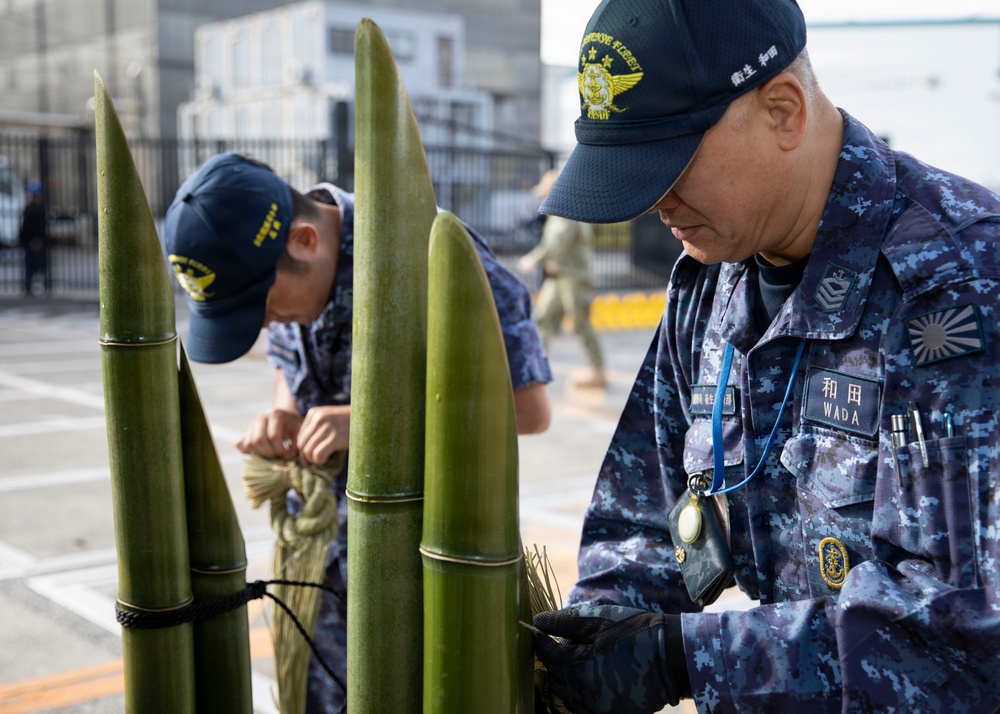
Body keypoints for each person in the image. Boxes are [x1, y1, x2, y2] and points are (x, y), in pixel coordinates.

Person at [529, 0, 1000, 712]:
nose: (655, 199)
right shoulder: (713, 280)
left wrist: (686, 657)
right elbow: (642, 513)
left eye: (672, 159)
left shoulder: (959, 282)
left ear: (783, 111)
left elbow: (968, 628)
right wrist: (596, 635)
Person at [162, 152, 553, 713]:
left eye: (264, 306)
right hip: (320, 572)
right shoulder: (293, 283)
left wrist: (371, 424)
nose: (266, 324)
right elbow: (286, 367)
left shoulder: (427, 250)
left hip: (420, 578)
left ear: (303, 240)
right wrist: (284, 414)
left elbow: (528, 408)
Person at [518, 168, 607, 388]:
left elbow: (556, 244)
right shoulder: (559, 212)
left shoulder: (568, 212)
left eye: (544, 192)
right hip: (558, 278)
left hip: (574, 279)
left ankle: (598, 372)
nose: (541, 197)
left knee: (580, 325)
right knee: (543, 320)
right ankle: (535, 371)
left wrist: (533, 259)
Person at [19, 180, 48, 296]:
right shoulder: (36, 209)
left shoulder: (29, 208)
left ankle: (29, 284)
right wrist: (36, 239)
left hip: (29, 240)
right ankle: (33, 284)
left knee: (32, 264)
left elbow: (24, 226)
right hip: (34, 240)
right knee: (36, 263)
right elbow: (35, 226)